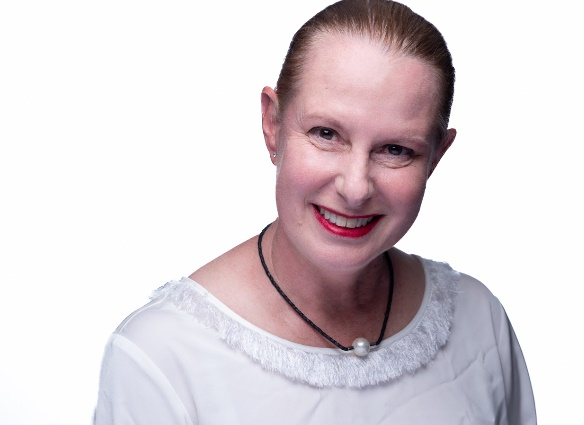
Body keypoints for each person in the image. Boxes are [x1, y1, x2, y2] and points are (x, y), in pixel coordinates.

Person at [94, 0, 536, 423]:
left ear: (436, 157)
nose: (356, 187)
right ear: (272, 124)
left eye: (396, 149)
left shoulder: (479, 323)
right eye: (326, 133)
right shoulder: (161, 356)